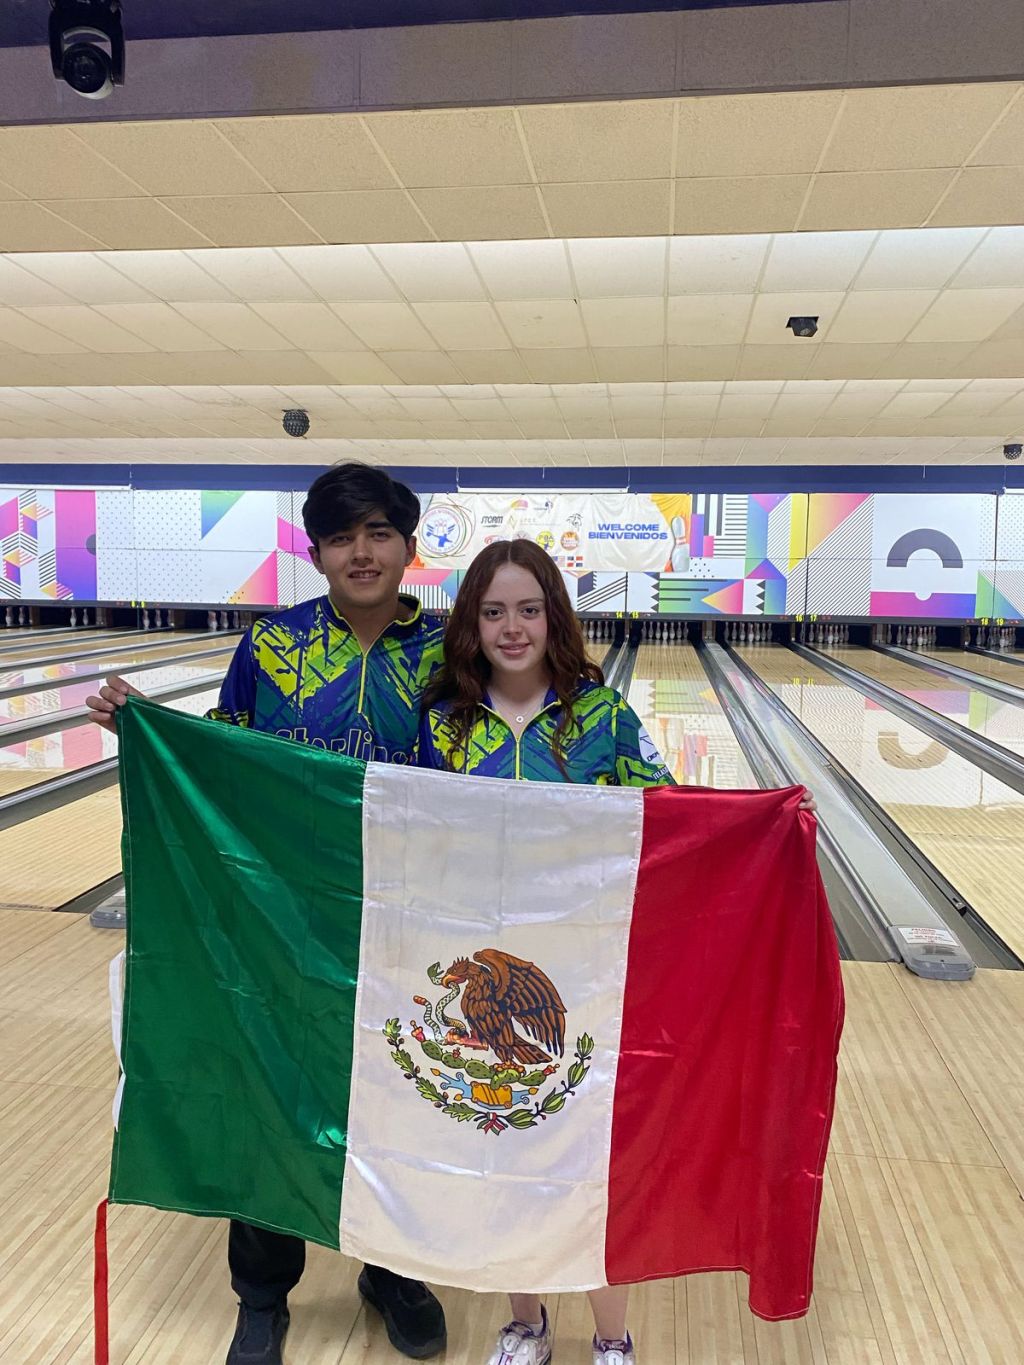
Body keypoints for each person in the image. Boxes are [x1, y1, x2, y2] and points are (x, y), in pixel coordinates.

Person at [418, 539, 816, 1365]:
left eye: (529, 609)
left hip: (589, 969)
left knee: (597, 1153)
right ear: (471, 624)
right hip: (488, 960)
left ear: (554, 617)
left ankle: (611, 1335)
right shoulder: (443, 724)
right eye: (494, 611)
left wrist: (764, 823)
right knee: (504, 1147)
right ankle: (526, 1322)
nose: (513, 627)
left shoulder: (601, 717)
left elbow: (670, 818)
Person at [86, 463, 448, 1365]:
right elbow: (224, 759)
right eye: (341, 536)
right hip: (280, 915)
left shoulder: (452, 655)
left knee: (404, 1095)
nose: (361, 552)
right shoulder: (273, 646)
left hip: (408, 919)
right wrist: (153, 734)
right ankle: (262, 1294)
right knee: (268, 1096)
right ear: (316, 551)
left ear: (408, 546)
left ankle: (394, 1270)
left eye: (378, 533)